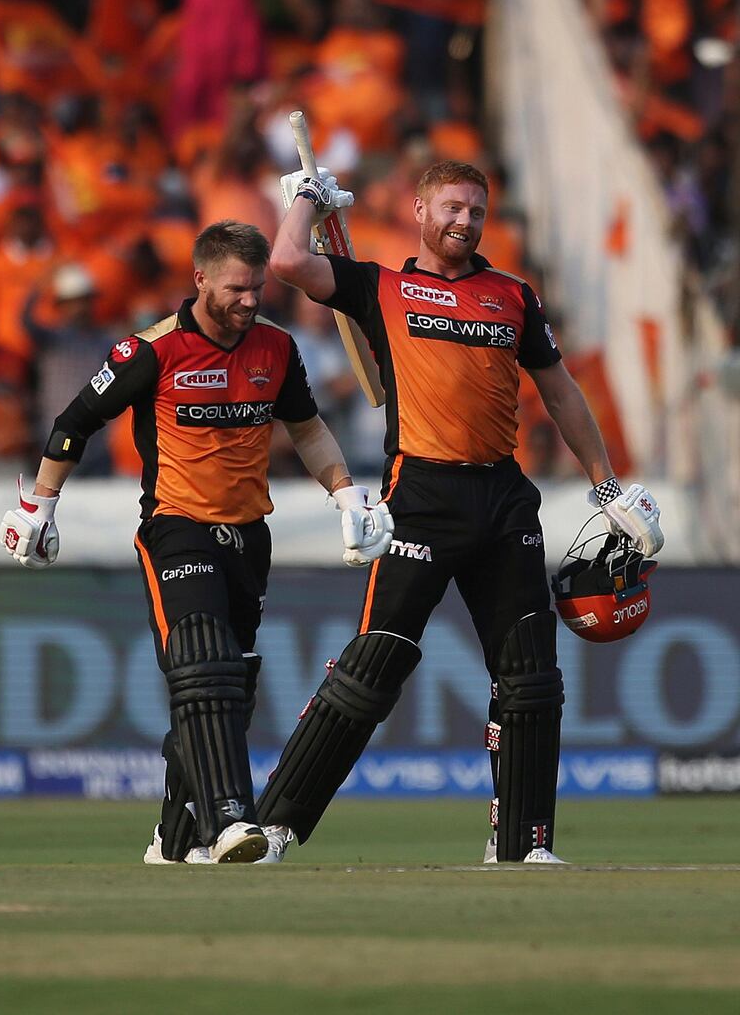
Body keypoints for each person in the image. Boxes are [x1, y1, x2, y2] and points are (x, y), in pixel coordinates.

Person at [253, 160, 665, 864]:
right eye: (450, 208)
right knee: (372, 666)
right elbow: (289, 261)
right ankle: (276, 827)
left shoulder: (513, 297)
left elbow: (561, 393)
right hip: (420, 497)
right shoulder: (381, 285)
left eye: (475, 210)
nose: (464, 222)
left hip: (502, 498)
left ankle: (523, 844)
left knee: (531, 676)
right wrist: (308, 202)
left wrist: (606, 487)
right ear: (419, 210)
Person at [0, 220, 393, 865]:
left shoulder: (275, 347)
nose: (249, 300)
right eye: (237, 288)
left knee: (228, 688)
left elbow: (308, 428)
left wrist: (347, 493)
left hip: (248, 535)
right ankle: (231, 823)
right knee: (204, 665)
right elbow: (75, 421)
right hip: (176, 525)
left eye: (257, 288)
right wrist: (38, 506)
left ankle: (173, 841)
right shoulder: (151, 351)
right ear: (200, 279)